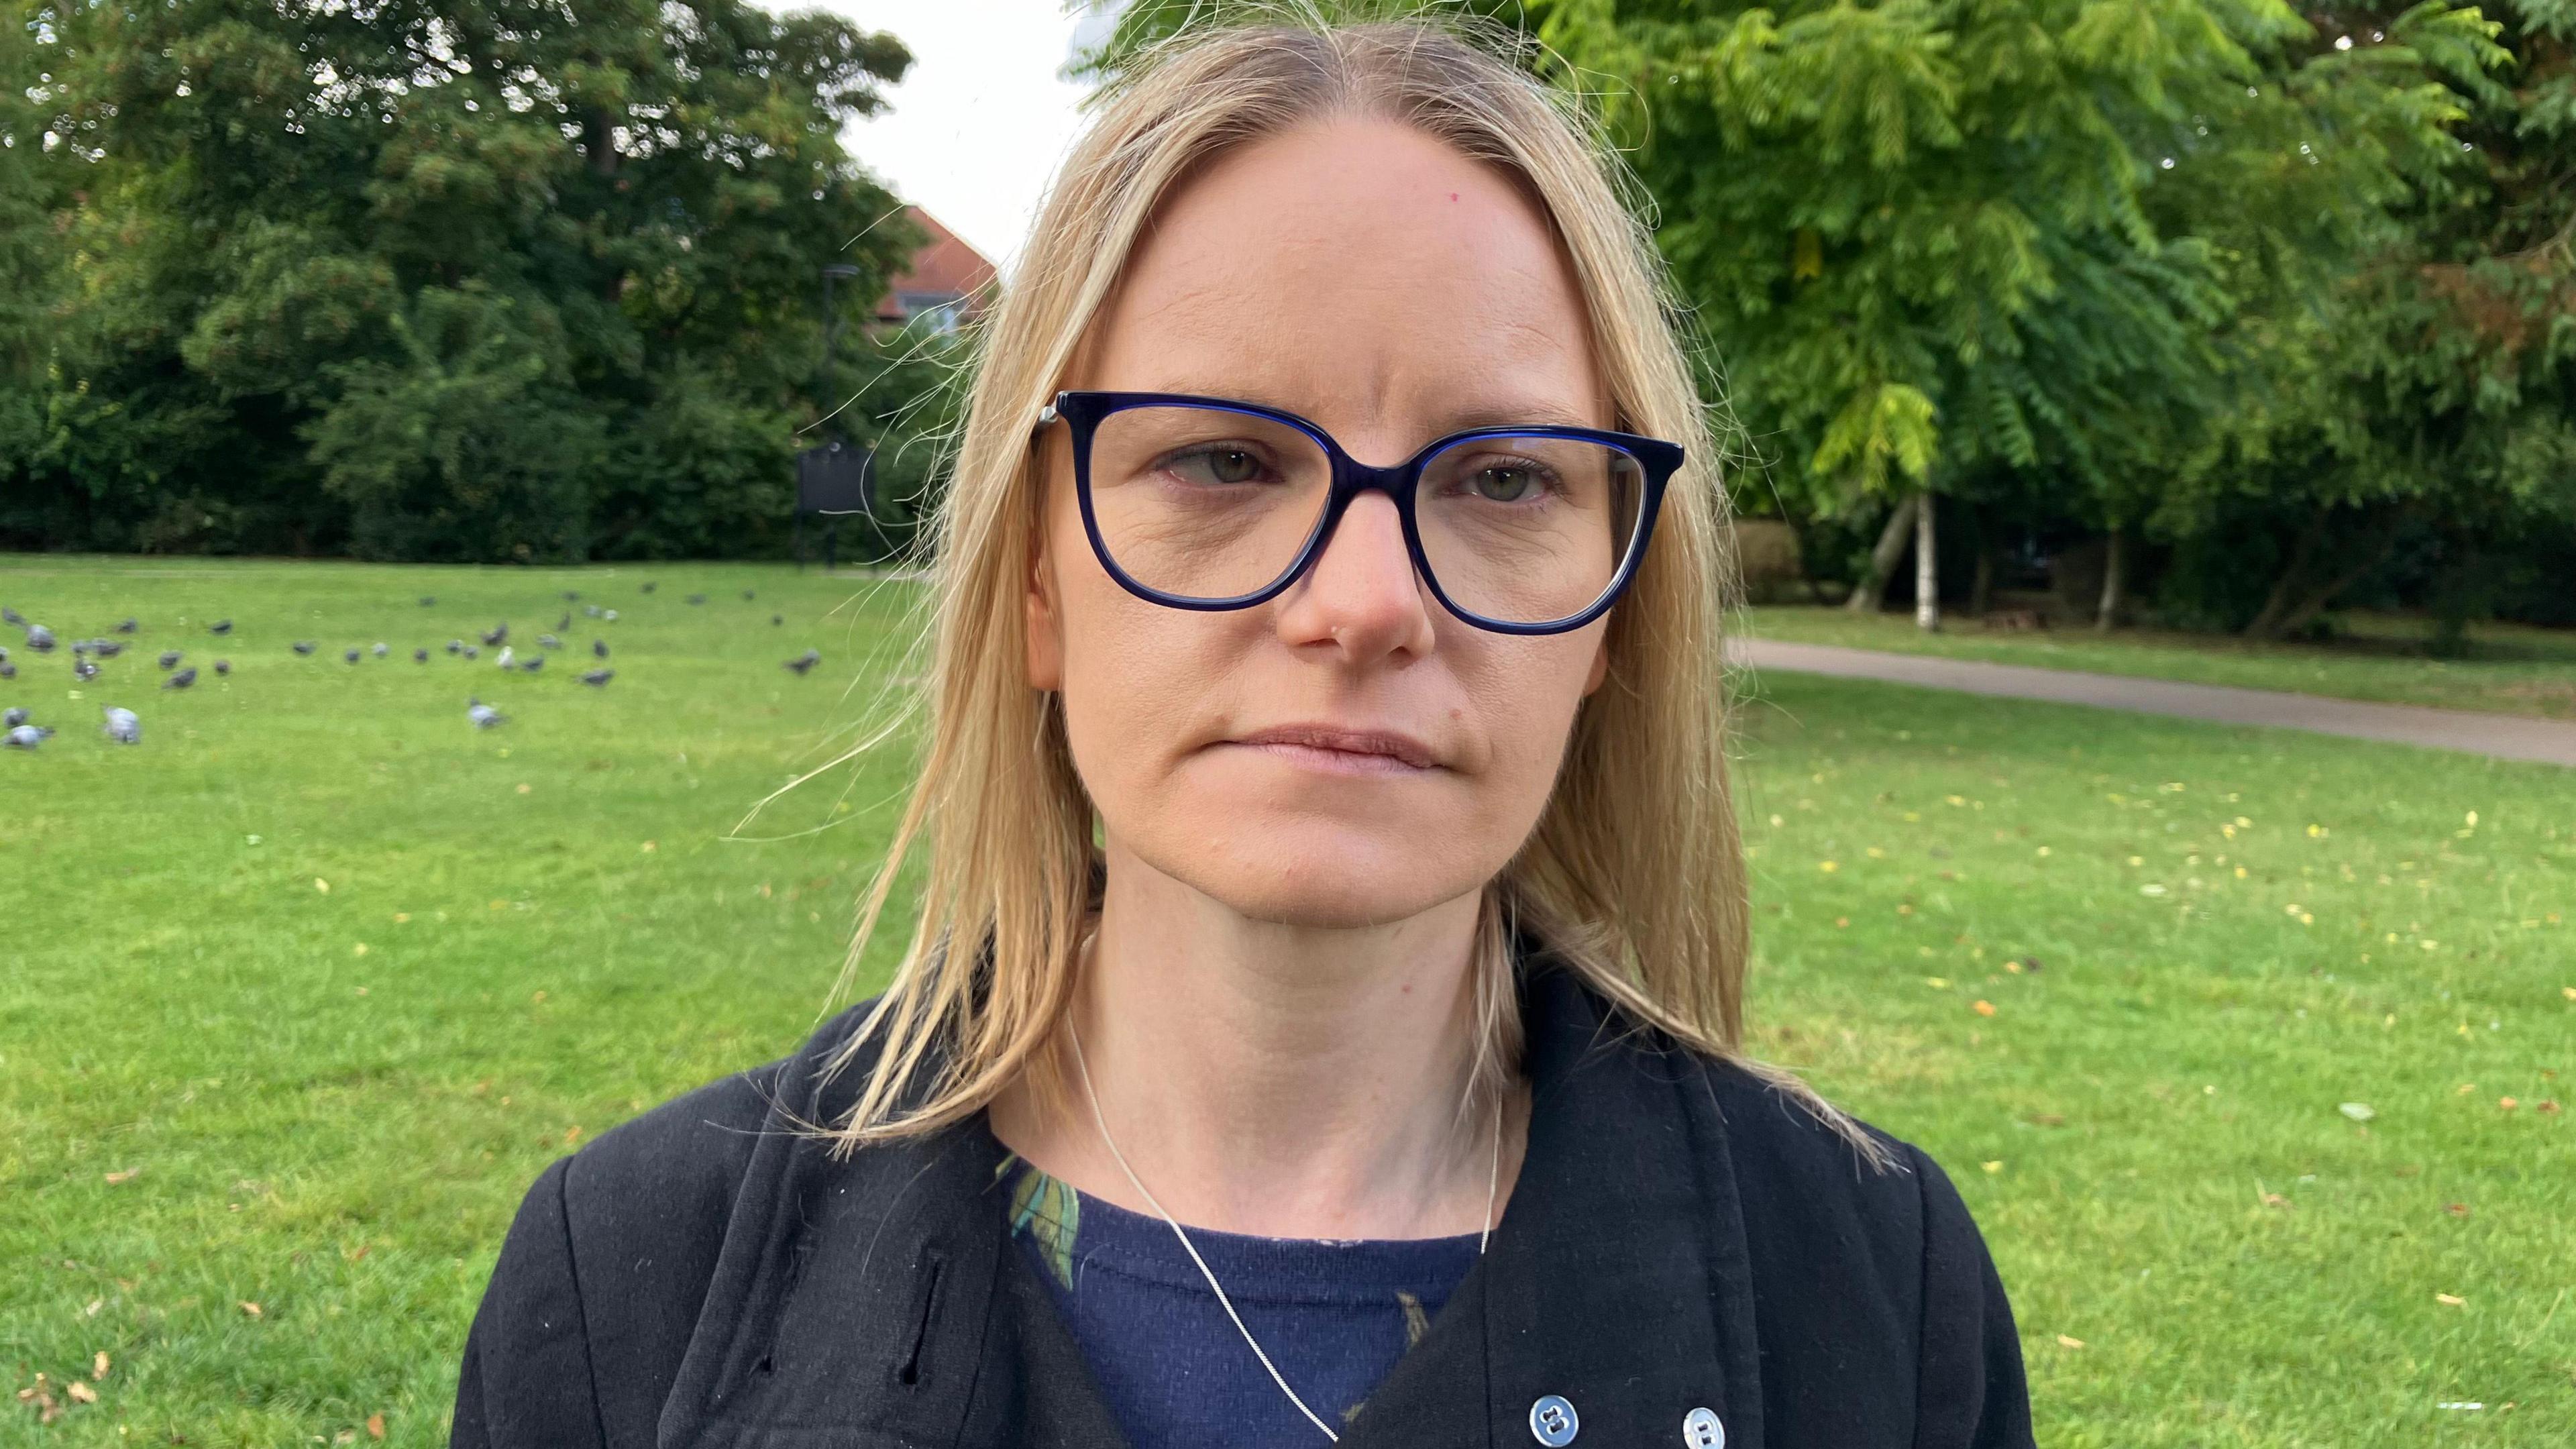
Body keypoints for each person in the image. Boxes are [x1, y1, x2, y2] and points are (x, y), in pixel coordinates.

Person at [449, 15, 2035, 1449]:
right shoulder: (629, 1283)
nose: (1363, 603)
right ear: (1038, 583)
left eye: (1500, 481)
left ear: (1616, 614)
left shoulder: (1874, 1295)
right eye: (1218, 461)